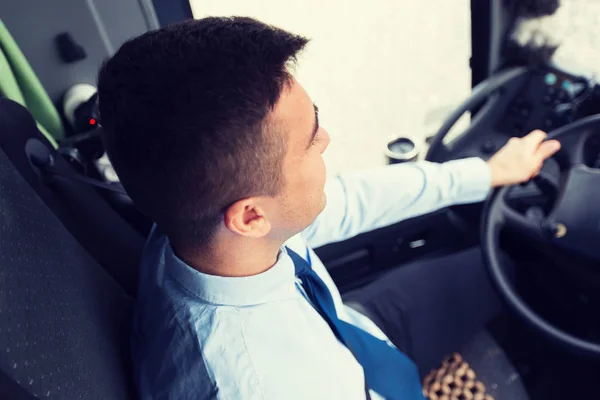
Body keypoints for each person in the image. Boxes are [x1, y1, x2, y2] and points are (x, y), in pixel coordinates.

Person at [97, 17, 561, 400]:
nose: (327, 140)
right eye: (309, 141)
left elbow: (352, 201)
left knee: (501, 267)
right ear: (251, 216)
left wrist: (485, 174)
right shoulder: (262, 385)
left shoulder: (199, 232)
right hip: (355, 380)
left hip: (355, 334)